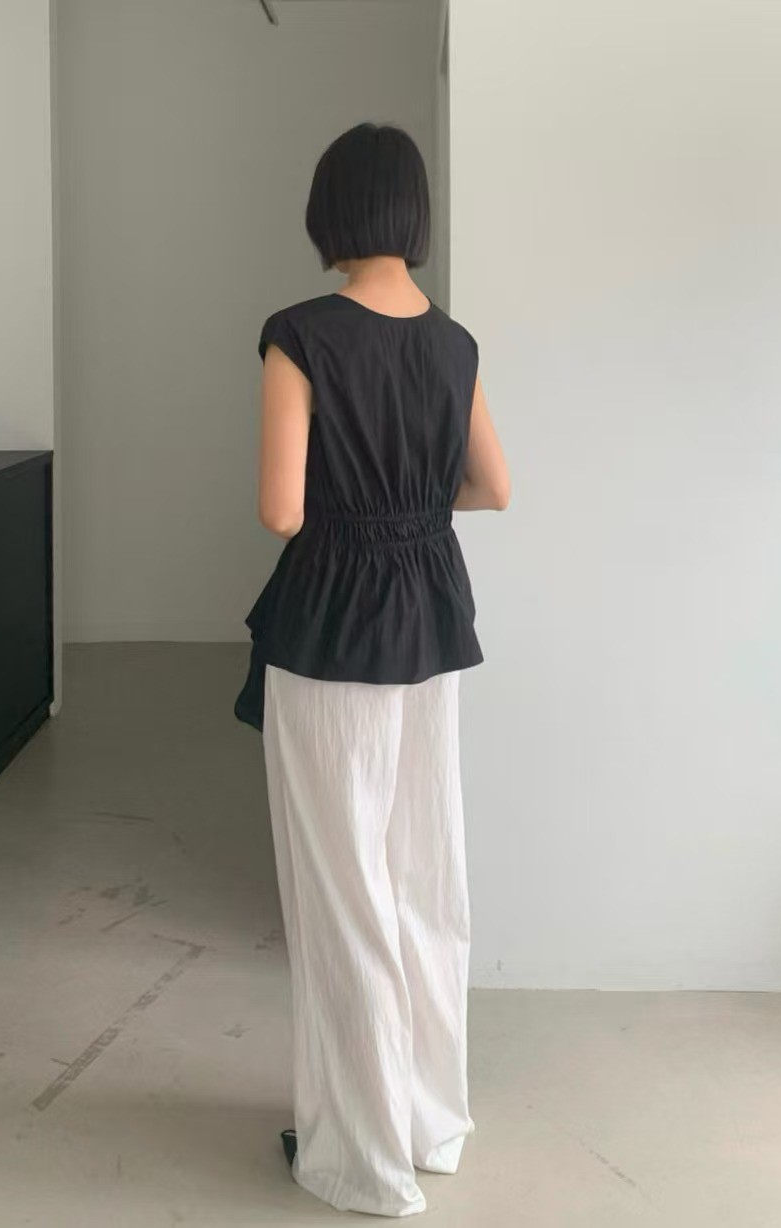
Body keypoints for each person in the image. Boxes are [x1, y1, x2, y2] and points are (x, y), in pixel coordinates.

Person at [234, 122, 510, 1217]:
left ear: (330, 211)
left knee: (343, 890)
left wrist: (354, 510)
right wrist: (408, 513)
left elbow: (281, 510)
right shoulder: (455, 342)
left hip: (333, 627)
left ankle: (359, 1158)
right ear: (413, 213)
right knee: (425, 878)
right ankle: (428, 1123)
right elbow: (492, 487)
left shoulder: (299, 335)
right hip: (431, 617)